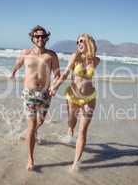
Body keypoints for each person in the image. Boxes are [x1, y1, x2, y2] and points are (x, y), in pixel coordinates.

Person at [10, 25, 60, 171]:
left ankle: (28, 133)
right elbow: (18, 64)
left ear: (46, 38)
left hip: (45, 94)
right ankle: (31, 159)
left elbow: (57, 75)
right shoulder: (26, 53)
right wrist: (12, 73)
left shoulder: (51, 55)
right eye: (37, 36)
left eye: (43, 36)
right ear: (32, 38)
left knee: (41, 121)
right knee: (32, 124)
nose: (40, 39)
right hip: (29, 94)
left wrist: (54, 86)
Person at [49, 33, 100, 171]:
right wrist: (55, 87)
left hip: (89, 98)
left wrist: (90, 47)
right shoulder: (75, 57)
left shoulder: (96, 60)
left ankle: (75, 163)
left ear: (88, 43)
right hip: (73, 97)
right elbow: (65, 74)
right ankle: (70, 131)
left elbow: (93, 50)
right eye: (77, 42)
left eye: (81, 41)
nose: (78, 44)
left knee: (83, 131)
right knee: (72, 122)